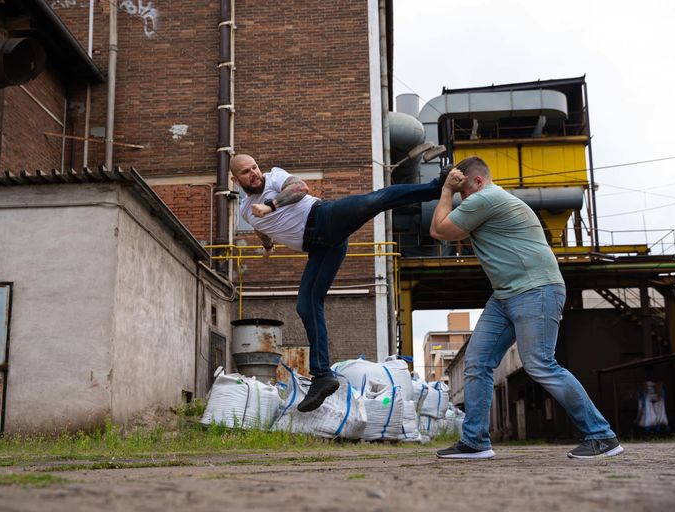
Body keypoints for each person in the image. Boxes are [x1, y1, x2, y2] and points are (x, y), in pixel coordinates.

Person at [429, 156, 623, 459]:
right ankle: (475, 442)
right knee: (477, 363)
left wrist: (446, 191)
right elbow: (446, 229)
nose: (461, 199)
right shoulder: (484, 201)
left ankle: (602, 436)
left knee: (540, 364)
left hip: (536, 289)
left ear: (478, 182)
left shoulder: (486, 198)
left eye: (462, 191)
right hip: (505, 295)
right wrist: (452, 189)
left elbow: (439, 230)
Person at [231, 153, 448, 412]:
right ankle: (322, 376)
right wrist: (267, 245)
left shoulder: (275, 177)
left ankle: (436, 187)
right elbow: (260, 228)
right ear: (236, 179)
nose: (254, 173)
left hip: (325, 217)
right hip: (320, 247)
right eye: (246, 172)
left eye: (255, 167)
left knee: (372, 201)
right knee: (306, 305)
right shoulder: (246, 210)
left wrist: (271, 205)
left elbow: (299, 188)